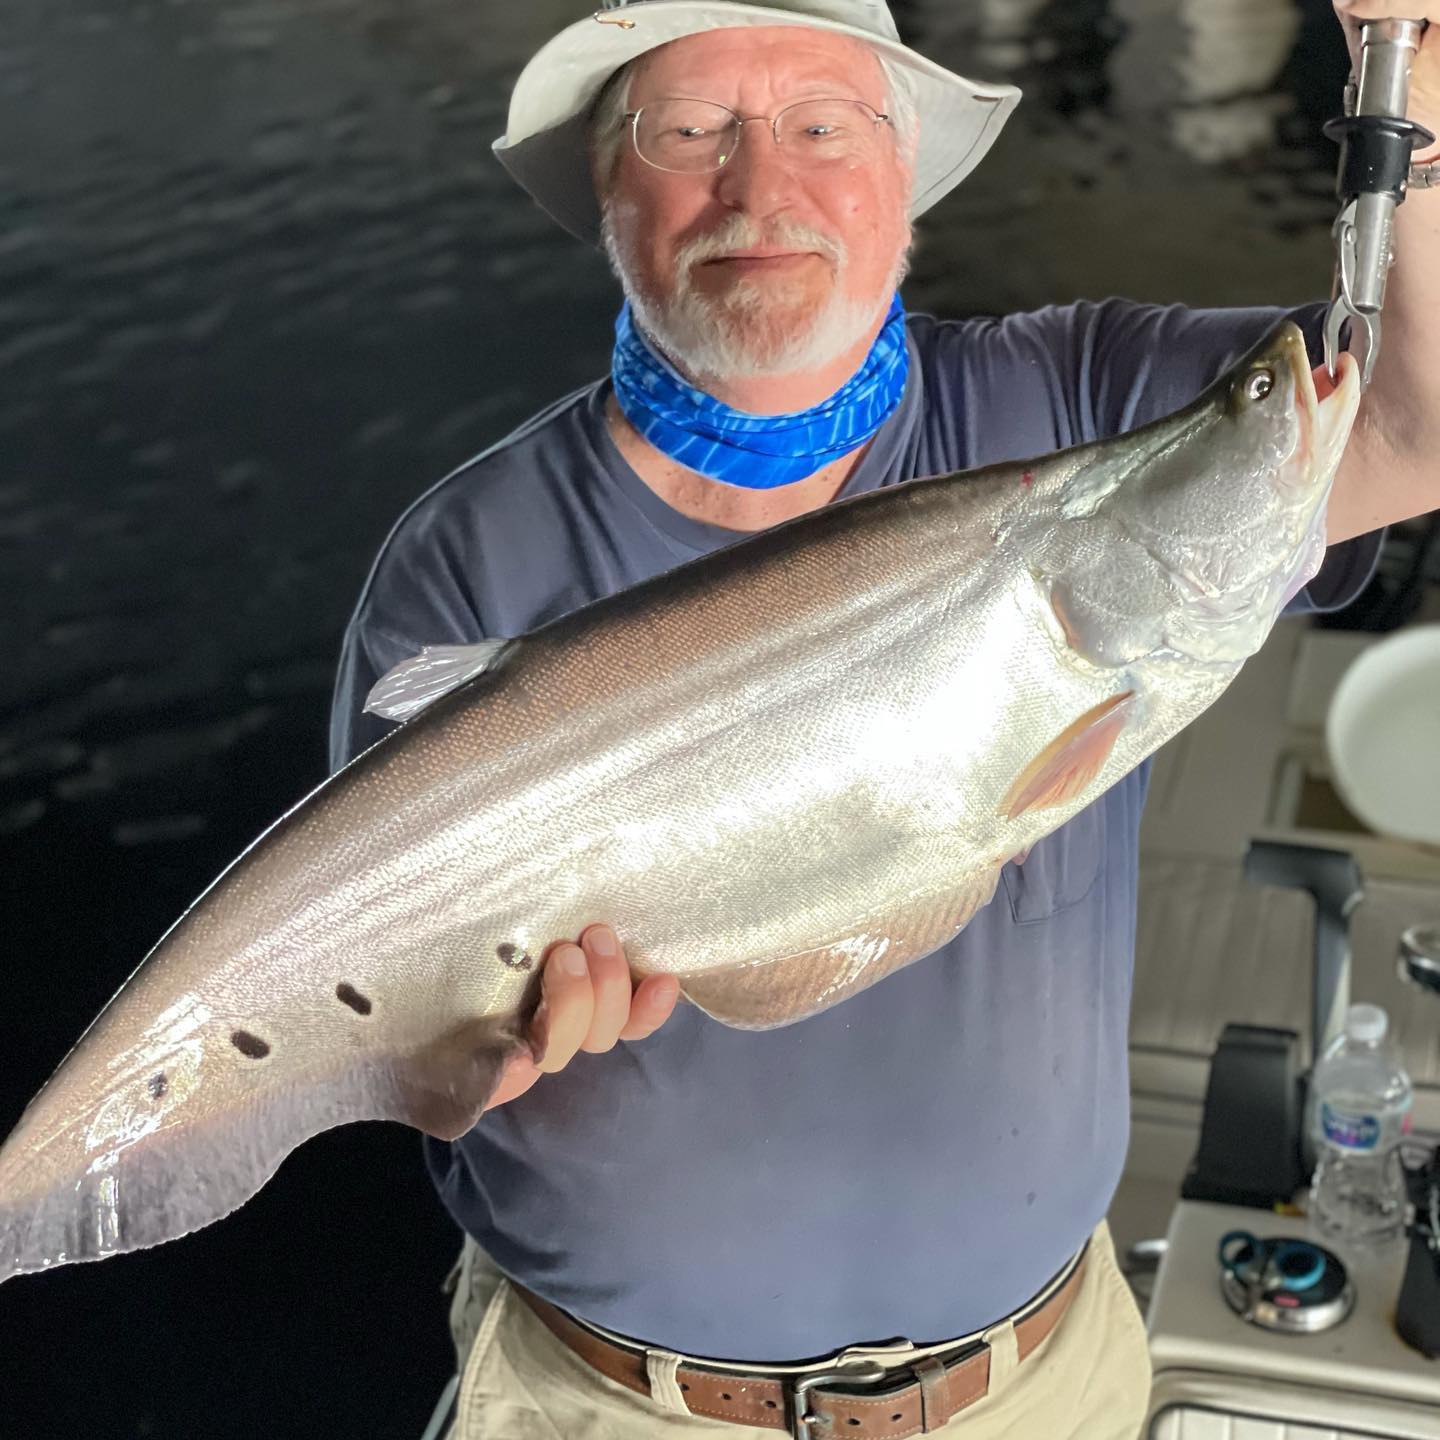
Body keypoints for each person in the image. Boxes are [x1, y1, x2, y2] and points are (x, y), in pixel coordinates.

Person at [329, 2, 1440, 1435]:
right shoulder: (466, 556)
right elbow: (403, 1033)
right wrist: (487, 1042)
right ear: (611, 191)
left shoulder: (1080, 404)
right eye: (687, 133)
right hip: (607, 1407)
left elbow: (1414, 426)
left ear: (902, 173)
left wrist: (1416, 73)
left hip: (1041, 1388)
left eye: (819, 126)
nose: (758, 189)